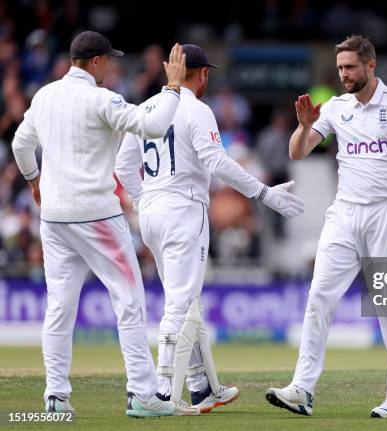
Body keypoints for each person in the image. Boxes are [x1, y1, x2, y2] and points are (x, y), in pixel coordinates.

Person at [265, 35, 387, 419]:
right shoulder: (336, 107)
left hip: (384, 214)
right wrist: (304, 127)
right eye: (340, 68)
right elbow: (296, 152)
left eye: (350, 67)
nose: (344, 75)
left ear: (371, 65)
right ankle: (302, 388)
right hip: (343, 214)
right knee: (319, 295)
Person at [114, 44, 304, 413]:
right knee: (181, 303)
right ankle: (161, 394)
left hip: (152, 210)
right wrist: (264, 193)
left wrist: (143, 201)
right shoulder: (197, 109)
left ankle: (203, 387)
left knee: (188, 304)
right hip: (183, 208)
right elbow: (215, 160)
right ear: (201, 74)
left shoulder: (145, 108)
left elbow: (123, 169)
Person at [11, 30, 186, 417]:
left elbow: (20, 145)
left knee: (59, 307)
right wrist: (173, 87)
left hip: (54, 218)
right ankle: (141, 393)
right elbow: (153, 126)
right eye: (107, 60)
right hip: (98, 218)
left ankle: (55, 397)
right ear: (94, 62)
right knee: (128, 300)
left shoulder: (44, 96)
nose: (110, 66)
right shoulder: (102, 99)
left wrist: (34, 181)